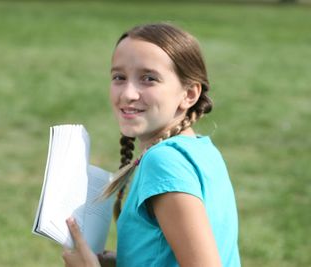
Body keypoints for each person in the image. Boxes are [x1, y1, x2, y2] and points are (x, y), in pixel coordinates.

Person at [62, 23, 240, 267]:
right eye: (119, 77)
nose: (128, 94)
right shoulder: (201, 150)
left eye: (149, 79)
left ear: (189, 94)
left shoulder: (164, 162)